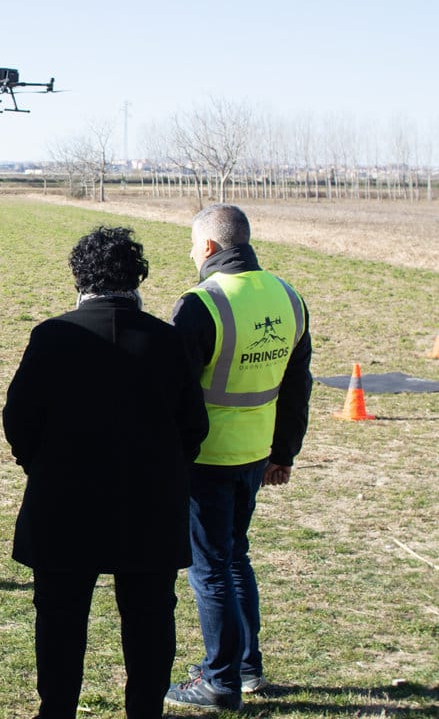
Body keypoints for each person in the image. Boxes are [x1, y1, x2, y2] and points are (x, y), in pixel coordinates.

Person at [3, 226, 209, 719]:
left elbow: (19, 419)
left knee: (59, 617)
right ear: (136, 277)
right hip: (150, 506)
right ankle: (144, 711)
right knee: (150, 618)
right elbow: (194, 427)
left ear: (80, 276)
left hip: (65, 502)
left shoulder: (53, 336)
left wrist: (44, 467)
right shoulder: (167, 340)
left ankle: (56, 711)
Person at [165, 204, 312, 711]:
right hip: (256, 454)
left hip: (205, 458)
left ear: (209, 247)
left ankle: (220, 681)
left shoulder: (201, 304)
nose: (190, 254)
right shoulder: (287, 296)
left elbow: (172, 392)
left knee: (208, 569)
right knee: (235, 558)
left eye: (191, 245)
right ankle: (246, 666)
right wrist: (283, 452)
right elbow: (298, 386)